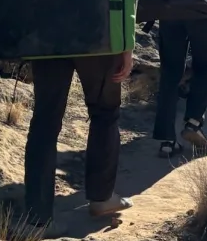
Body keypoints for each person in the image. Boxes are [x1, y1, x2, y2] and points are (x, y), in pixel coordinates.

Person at [24, 50, 134, 226]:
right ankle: (101, 198)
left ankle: (37, 214)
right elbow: (123, 19)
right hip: (98, 38)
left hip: (46, 38)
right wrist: (127, 48)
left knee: (44, 122)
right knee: (104, 113)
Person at [153, 17, 207, 157]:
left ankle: (167, 142)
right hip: (206, 10)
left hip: (169, 8)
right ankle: (193, 123)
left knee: (170, 72)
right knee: (205, 66)